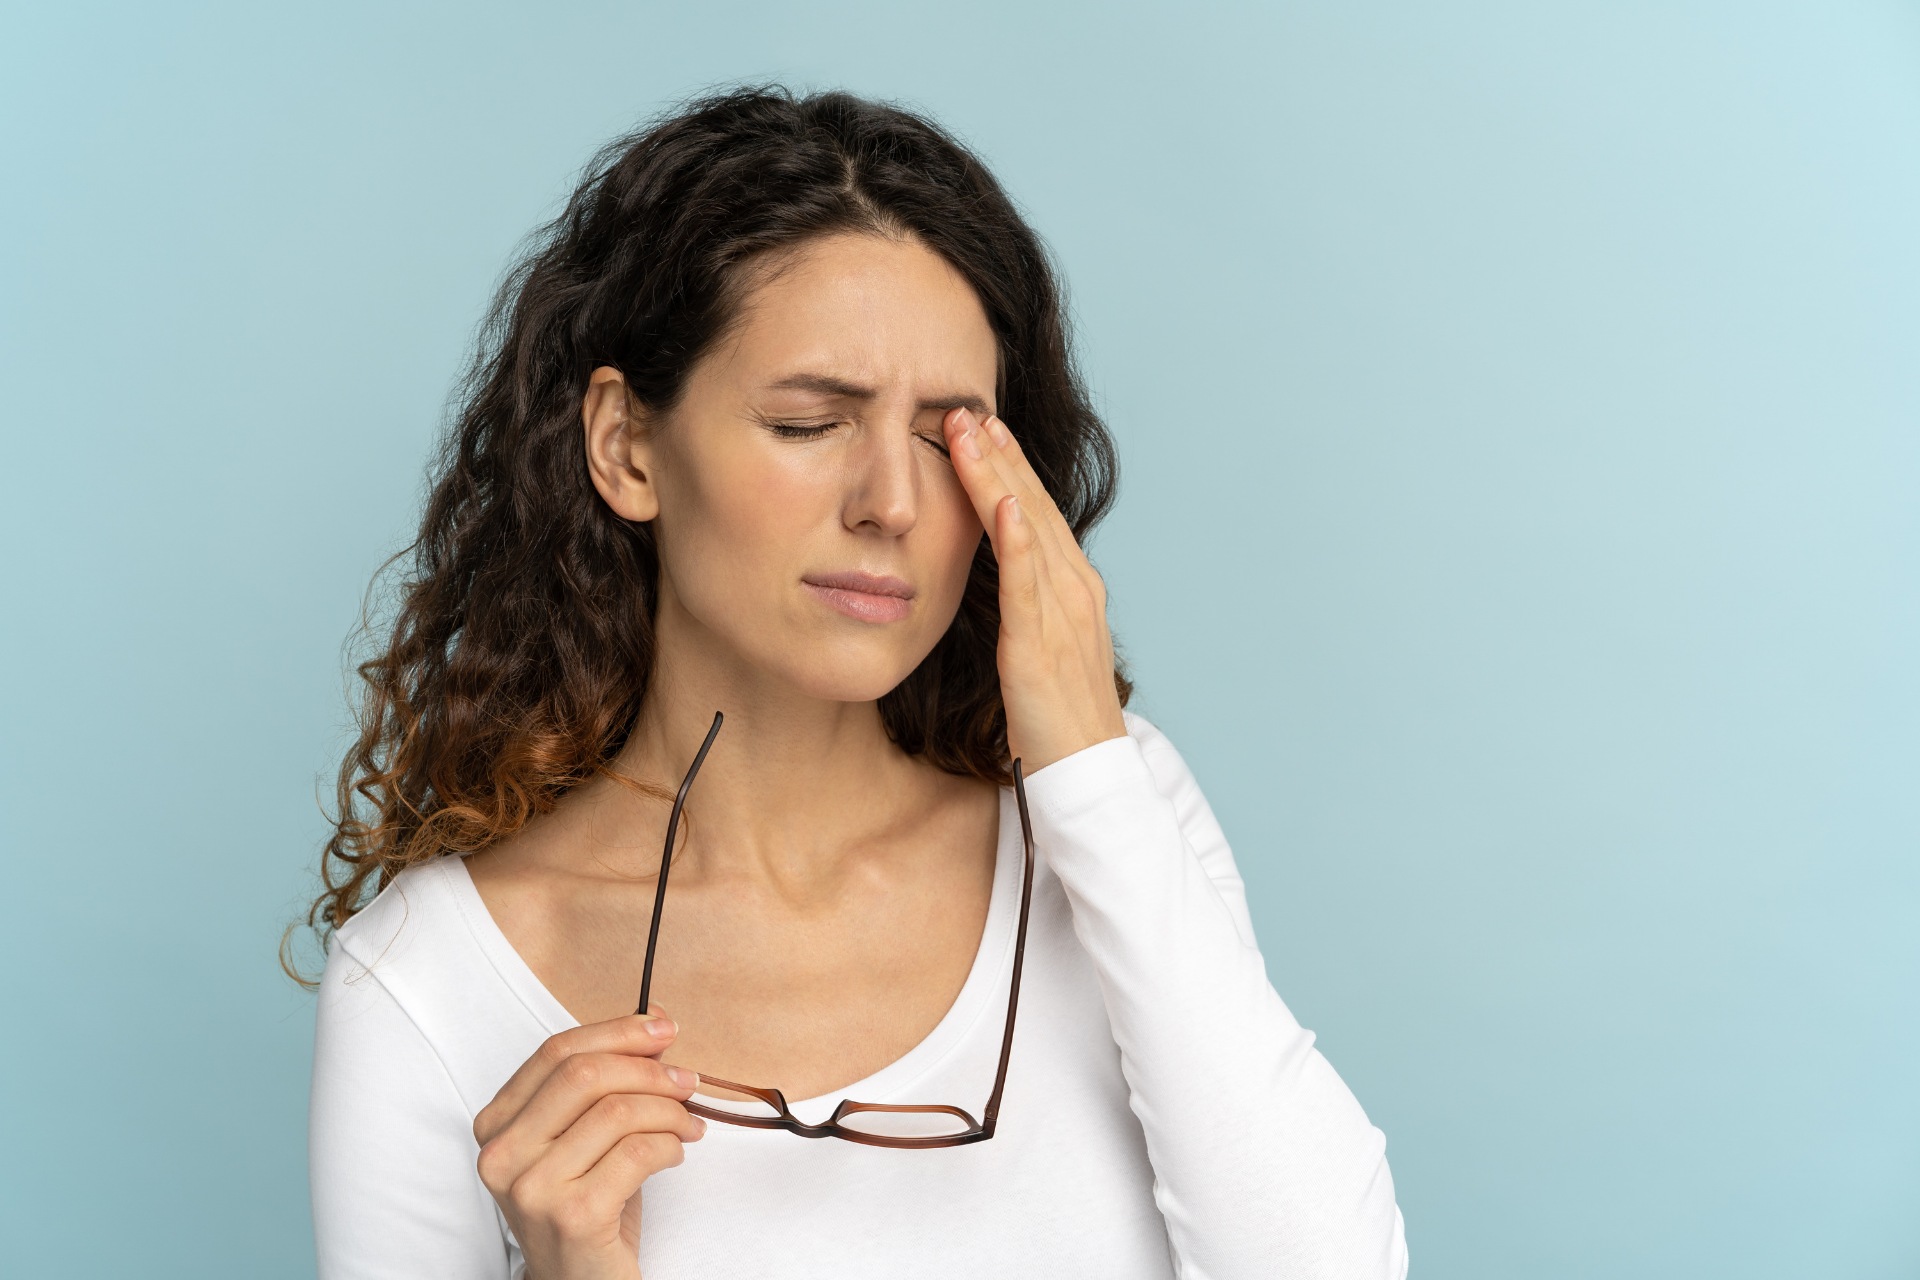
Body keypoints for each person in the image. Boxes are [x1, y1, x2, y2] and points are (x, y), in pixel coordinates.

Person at [303, 86, 1408, 1280]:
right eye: (808, 421)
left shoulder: (1115, 811)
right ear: (626, 446)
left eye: (948, 434)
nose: (891, 501)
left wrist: (1090, 762)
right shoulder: (425, 984)